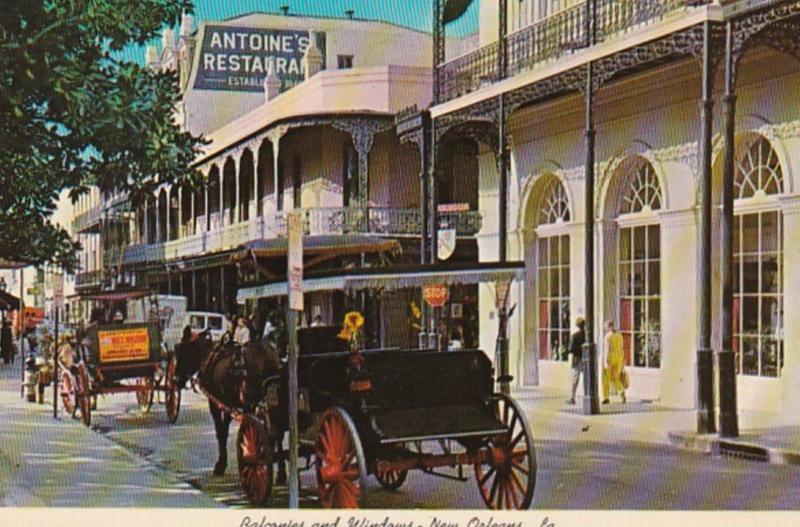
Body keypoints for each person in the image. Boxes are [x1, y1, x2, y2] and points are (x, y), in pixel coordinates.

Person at [602, 320, 626, 404]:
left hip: (609, 359)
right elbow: (622, 348)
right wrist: (622, 361)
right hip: (618, 358)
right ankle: (621, 391)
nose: (604, 327)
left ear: (609, 327)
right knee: (615, 377)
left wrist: (605, 362)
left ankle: (606, 397)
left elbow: (607, 350)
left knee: (606, 379)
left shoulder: (607, 336)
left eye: (605, 326)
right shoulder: (619, 336)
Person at [567, 317, 586, 405]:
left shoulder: (574, 336)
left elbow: (570, 349)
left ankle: (572, 397)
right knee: (586, 378)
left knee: (575, 379)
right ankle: (586, 394)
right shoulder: (588, 335)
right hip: (585, 358)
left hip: (577, 359)